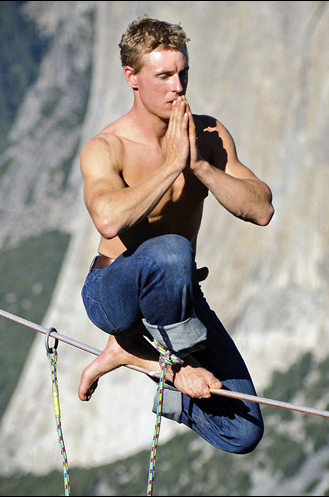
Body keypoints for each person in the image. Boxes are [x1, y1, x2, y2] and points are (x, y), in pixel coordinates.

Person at [77, 15, 274, 455]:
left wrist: (199, 165)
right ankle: (167, 364)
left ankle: (133, 354)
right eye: (164, 76)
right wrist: (171, 166)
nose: (178, 87)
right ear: (132, 77)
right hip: (114, 292)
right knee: (170, 250)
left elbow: (261, 208)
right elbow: (107, 220)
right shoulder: (107, 147)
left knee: (243, 431)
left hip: (178, 298)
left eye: (183, 73)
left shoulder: (207, 135)